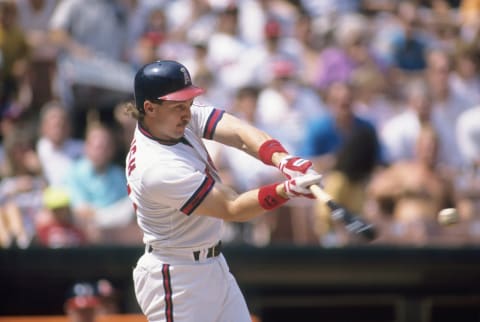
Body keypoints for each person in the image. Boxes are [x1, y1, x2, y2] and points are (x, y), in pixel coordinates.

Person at [125, 60, 323, 322]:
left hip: (212, 265)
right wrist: (286, 190)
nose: (187, 112)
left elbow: (239, 131)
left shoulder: (173, 119)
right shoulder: (156, 167)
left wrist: (282, 159)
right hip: (177, 277)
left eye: (188, 103)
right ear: (149, 108)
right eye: (179, 106)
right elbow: (232, 206)